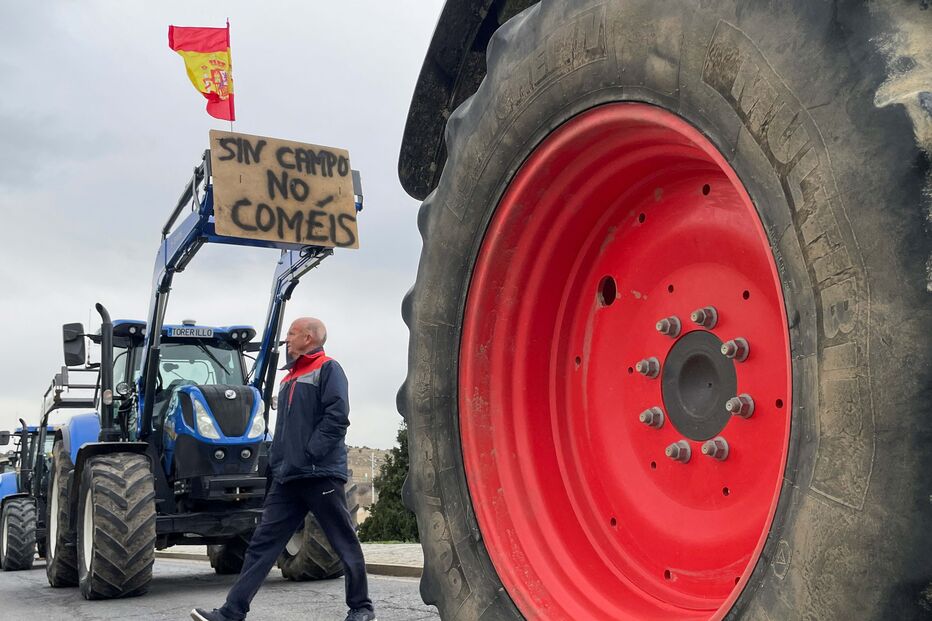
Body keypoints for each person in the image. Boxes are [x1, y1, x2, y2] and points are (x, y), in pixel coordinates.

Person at [192, 317, 376, 621]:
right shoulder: (289, 378)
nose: (287, 339)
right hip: (287, 478)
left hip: (319, 475)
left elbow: (337, 417)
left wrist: (310, 453)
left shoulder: (328, 368)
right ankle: (231, 612)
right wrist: (277, 463)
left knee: (343, 541)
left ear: (309, 338)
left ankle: (362, 608)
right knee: (261, 545)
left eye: (292, 333)